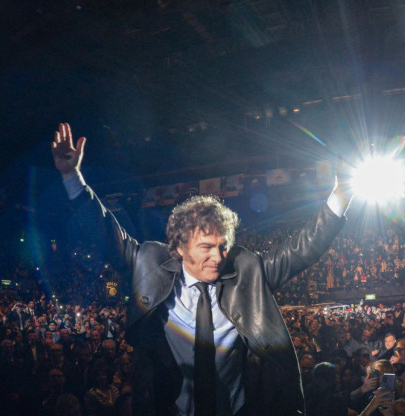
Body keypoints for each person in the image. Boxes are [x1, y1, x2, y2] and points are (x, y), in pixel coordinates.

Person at [51, 123, 349, 415]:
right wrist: (72, 177)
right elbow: (105, 234)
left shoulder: (247, 270)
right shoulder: (150, 261)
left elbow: (303, 249)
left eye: (222, 246)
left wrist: (341, 197)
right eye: (205, 247)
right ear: (179, 248)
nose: (217, 257)